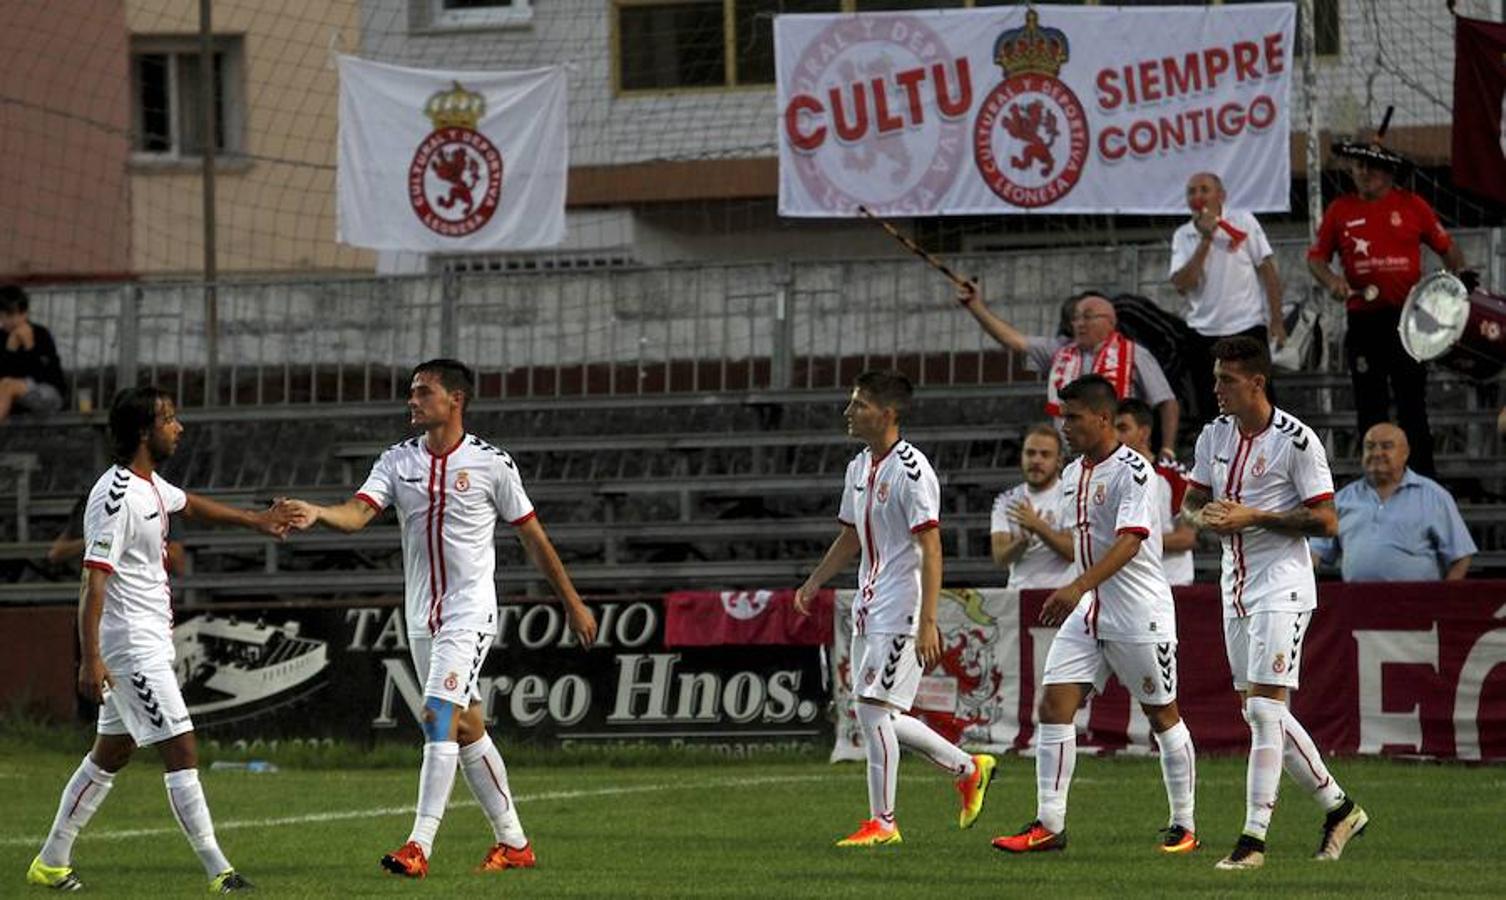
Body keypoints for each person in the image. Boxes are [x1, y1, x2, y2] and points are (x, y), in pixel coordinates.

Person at [282, 358, 597, 878]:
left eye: (424, 392)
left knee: (436, 716)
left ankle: (418, 845)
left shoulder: (493, 464)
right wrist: (319, 512)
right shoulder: (396, 461)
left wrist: (571, 600)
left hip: (468, 613)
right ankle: (514, 843)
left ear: (455, 400)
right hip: (420, 617)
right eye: (412, 392)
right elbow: (358, 513)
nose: (413, 400)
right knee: (467, 726)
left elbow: (534, 538)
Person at [26, 386, 293, 893]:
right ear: (144, 432)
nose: (180, 427)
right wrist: (91, 659)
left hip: (147, 639)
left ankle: (51, 860)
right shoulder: (115, 497)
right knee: (182, 746)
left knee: (112, 752)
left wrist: (255, 520)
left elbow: (190, 504)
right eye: (169, 419)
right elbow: (93, 580)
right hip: (129, 646)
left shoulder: (150, 486)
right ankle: (220, 871)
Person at [992, 374, 1198, 857]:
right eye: (1063, 417)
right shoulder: (1073, 473)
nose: (1065, 426)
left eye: (1074, 417)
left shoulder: (1135, 472)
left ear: (1103, 418)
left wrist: (1077, 584)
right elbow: (1078, 543)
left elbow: (1131, 541)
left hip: (1138, 614)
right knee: (1053, 706)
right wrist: (1077, 584)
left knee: (1162, 715)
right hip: (1090, 611)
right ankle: (1049, 824)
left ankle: (1185, 824)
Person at [1181, 336, 1367, 870]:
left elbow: (1327, 521)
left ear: (1257, 383)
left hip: (1282, 583)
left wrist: (1254, 517)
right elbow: (1193, 498)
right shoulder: (1214, 434)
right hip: (1234, 584)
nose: (1216, 389)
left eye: (1227, 380)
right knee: (1258, 710)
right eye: (1217, 377)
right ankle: (1339, 808)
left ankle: (1253, 841)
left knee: (1265, 710)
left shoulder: (1297, 441)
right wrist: (1205, 519)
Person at [794, 370, 996, 847]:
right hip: (870, 604)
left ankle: (884, 823)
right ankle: (967, 768)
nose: (849, 412)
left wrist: (929, 621)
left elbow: (932, 547)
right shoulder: (859, 466)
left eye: (859, 404)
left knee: (871, 709)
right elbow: (850, 536)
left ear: (888, 413)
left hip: (902, 608)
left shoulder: (912, 470)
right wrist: (814, 582)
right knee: (874, 712)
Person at [1306, 142, 1470, 478]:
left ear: (1389, 172)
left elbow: (1449, 251)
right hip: (1364, 321)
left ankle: (1423, 480)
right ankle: (1377, 480)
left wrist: (1454, 296)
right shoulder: (1340, 210)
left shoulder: (1413, 206)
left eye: (1372, 167)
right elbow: (1316, 259)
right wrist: (1333, 280)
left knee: (1412, 404)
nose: (1364, 173)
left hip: (1410, 322)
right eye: (1358, 166)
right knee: (1370, 405)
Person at [958, 283, 1181, 462]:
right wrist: (975, 306)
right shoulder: (1060, 351)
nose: (1079, 324)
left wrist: (1167, 449)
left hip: (1119, 458)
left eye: (1088, 317)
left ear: (1110, 322)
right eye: (1076, 318)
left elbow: (1166, 401)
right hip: (1069, 458)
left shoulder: (1134, 354)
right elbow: (1012, 340)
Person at [1170, 172, 1286, 424]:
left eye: (1204, 189)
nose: (1198, 196)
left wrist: (1276, 319)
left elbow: (1267, 269)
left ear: (1221, 195)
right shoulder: (1183, 235)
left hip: (1246, 325)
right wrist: (1207, 238)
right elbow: (1183, 284)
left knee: (1259, 400)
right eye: (1192, 191)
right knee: (1212, 405)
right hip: (1203, 331)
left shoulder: (1243, 221)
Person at [1311, 423, 1476, 581]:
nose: (1376, 453)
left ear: (1405, 453)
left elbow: (1461, 556)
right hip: (1358, 604)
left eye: (1386, 446)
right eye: (1370, 446)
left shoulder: (1434, 497)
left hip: (1417, 605)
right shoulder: (1343, 499)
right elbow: (1315, 554)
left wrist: (1444, 600)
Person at [1115, 398, 1197, 585]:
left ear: (1144, 433)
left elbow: (1186, 537)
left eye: (1123, 428)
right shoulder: (1107, 477)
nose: (1115, 436)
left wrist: (1130, 542)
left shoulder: (1176, 474)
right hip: (1126, 585)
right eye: (1112, 429)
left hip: (1171, 583)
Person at [990, 424, 1074, 590]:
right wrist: (1021, 543)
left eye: (1045, 454)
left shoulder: (1071, 496)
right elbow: (1000, 558)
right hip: (1019, 596)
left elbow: (1073, 552)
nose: (1036, 460)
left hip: (1062, 596)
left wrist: (1037, 526)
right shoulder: (1006, 501)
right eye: (1030, 453)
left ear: (1059, 461)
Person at [48, 494, 186, 575]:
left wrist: (136, 536)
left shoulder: (159, 501)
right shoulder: (96, 500)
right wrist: (99, 538)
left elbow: (177, 564)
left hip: (144, 597)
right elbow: (56, 554)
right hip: (104, 598)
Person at [0, 283, 67, 422]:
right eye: (9, 315)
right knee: (7, 384)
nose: (15, 320)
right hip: (13, 397)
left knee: (8, 384)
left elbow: (46, 376)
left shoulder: (40, 334)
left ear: (26, 313)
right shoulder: (2, 337)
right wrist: (10, 350)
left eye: (20, 314)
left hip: (48, 394)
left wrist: (30, 347)